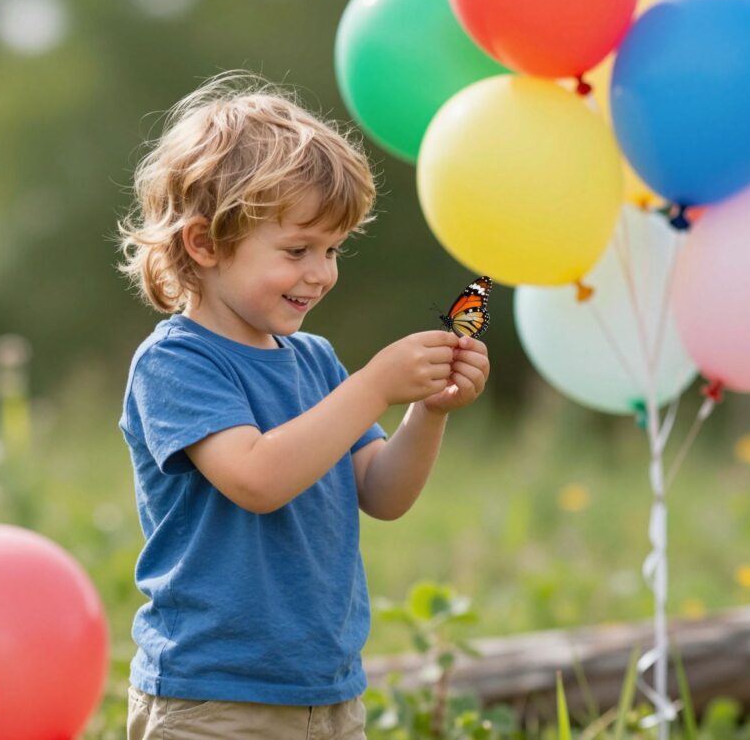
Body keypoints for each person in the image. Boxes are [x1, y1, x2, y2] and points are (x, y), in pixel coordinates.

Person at [116, 72, 490, 739]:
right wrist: (375, 384)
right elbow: (257, 478)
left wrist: (427, 411)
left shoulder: (315, 362)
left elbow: (382, 492)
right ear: (204, 244)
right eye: (297, 250)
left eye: (332, 250)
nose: (321, 273)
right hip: (213, 695)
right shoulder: (177, 362)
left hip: (326, 689)